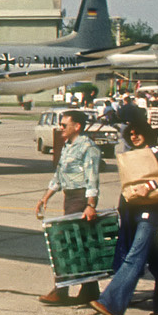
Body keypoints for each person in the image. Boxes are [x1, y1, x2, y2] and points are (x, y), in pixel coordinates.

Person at [90, 119, 158, 315]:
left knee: (134, 257)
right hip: (131, 213)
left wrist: (151, 185)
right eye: (130, 134)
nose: (134, 136)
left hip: (150, 213)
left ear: (147, 134)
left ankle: (111, 303)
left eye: (138, 133)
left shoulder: (155, 151)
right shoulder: (131, 155)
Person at [35, 110, 102, 305]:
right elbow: (59, 175)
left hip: (81, 198)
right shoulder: (67, 146)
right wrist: (46, 196)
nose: (60, 128)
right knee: (80, 245)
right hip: (70, 197)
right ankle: (90, 289)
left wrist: (90, 205)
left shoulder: (88, 148)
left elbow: (92, 180)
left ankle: (61, 290)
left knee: (67, 245)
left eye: (64, 125)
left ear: (77, 126)